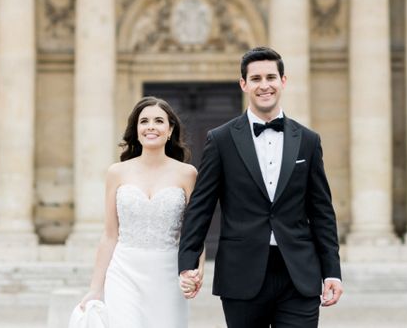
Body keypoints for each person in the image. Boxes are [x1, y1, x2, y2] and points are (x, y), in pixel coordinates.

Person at [178, 46, 343, 327]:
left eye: (270, 77)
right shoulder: (220, 140)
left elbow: (321, 211)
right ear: (243, 84)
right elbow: (201, 207)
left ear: (283, 81)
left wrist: (332, 271)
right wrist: (187, 263)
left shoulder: (308, 140)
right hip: (241, 273)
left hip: (298, 274)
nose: (264, 85)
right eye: (255, 79)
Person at [79, 96, 204, 328]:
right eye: (144, 121)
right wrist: (95, 289)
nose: (151, 127)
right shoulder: (116, 173)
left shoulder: (187, 174)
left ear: (170, 130)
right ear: (136, 130)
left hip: (168, 274)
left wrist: (196, 271)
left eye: (158, 121)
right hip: (124, 272)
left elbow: (195, 232)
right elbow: (109, 235)